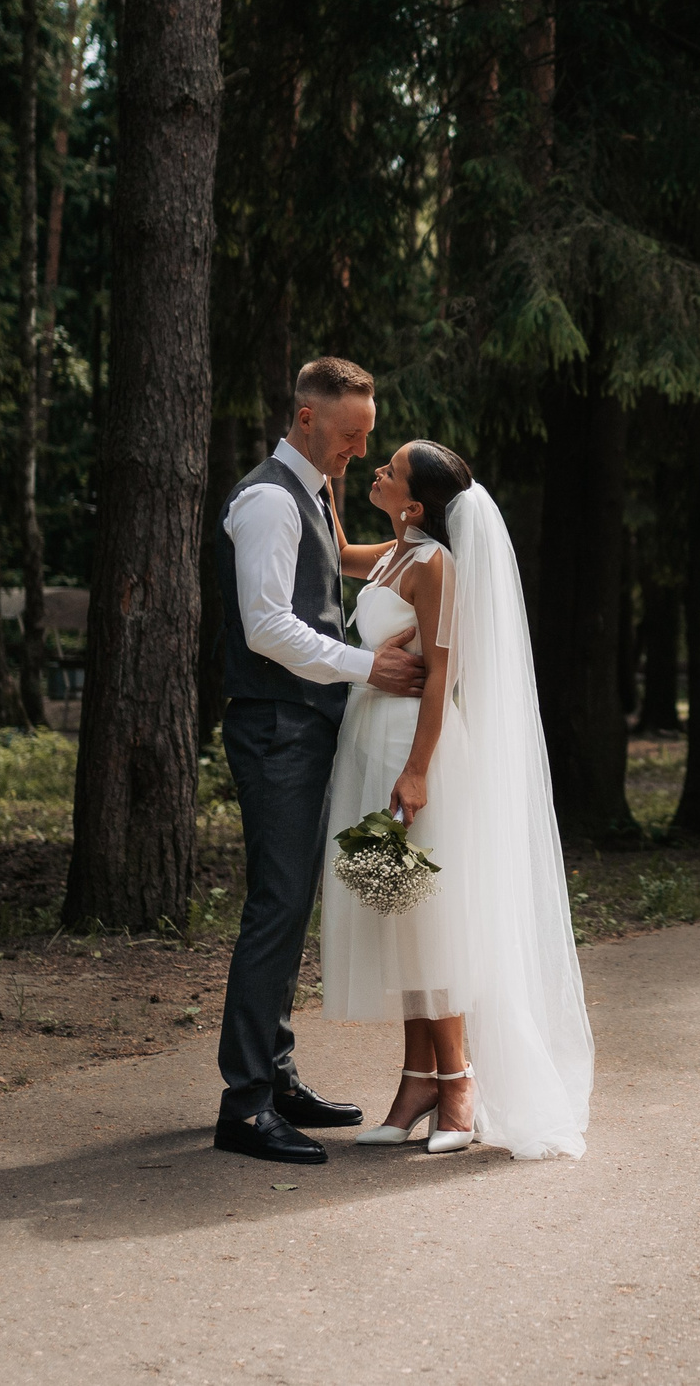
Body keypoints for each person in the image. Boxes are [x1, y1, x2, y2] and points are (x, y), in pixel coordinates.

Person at [320, 439, 595, 1159]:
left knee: (429, 919)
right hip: (371, 741)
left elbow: (443, 674)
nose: (377, 469)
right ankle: (417, 1081)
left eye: (390, 470)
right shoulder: (392, 553)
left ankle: (460, 1082)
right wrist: (326, 474)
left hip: (417, 750)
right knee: (399, 914)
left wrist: (418, 770)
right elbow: (338, 546)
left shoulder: (436, 566)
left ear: (414, 504)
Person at [212, 357, 427, 1166]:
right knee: (275, 905)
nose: (357, 450)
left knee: (291, 901)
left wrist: (430, 542)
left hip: (304, 726)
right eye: (348, 435)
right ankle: (245, 1103)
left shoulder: (315, 491)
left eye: (367, 436)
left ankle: (276, 1070)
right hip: (275, 728)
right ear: (306, 419)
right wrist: (369, 665)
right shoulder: (269, 498)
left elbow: (332, 567)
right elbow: (267, 626)